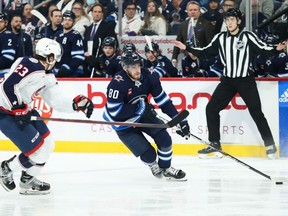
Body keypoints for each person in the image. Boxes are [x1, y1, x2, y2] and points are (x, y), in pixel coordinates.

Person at [172, 8, 288, 159]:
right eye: (227, 20)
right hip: (227, 81)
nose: (229, 22)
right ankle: (215, 144)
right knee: (211, 109)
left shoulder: (247, 35)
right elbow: (206, 52)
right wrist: (186, 48)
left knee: (256, 112)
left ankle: (270, 145)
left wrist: (275, 48)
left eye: (232, 19)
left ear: (238, 21)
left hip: (245, 80)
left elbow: (262, 49)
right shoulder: (221, 37)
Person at [0, 38, 94, 195]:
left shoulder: (47, 76)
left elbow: (55, 100)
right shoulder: (29, 64)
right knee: (37, 151)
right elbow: (7, 86)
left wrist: (75, 104)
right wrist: (17, 108)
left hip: (25, 111)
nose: (56, 61)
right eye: (55, 57)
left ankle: (28, 180)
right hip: (5, 112)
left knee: (48, 144)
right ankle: (6, 169)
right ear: (49, 55)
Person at [102, 51, 190, 180]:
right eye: (132, 67)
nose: (137, 70)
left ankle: (166, 168)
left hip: (143, 115)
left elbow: (164, 101)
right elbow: (116, 112)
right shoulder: (117, 83)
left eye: (138, 65)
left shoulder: (149, 77)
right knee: (149, 155)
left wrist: (181, 121)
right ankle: (153, 165)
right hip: (123, 124)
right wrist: (140, 108)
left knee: (165, 140)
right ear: (125, 68)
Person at [171, 1, 214, 68]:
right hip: (187, 59)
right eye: (190, 10)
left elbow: (210, 43)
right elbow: (178, 42)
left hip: (202, 59)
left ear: (199, 11)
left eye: (195, 10)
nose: (193, 12)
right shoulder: (183, 24)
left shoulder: (206, 24)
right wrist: (174, 58)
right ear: (187, 11)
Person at [83, 3, 118, 77]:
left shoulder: (108, 27)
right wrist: (86, 53)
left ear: (102, 14)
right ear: (92, 13)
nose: (97, 14)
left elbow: (114, 44)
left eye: (99, 12)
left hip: (101, 62)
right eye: (95, 12)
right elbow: (85, 43)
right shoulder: (88, 28)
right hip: (88, 60)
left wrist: (100, 58)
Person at [54, 10, 85, 77]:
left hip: (72, 73)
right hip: (57, 71)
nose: (67, 22)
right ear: (62, 21)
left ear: (73, 22)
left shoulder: (76, 35)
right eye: (65, 20)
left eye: (69, 20)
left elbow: (79, 57)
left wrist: (67, 68)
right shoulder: (57, 34)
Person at [0, 12, 17, 78]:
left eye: (1, 22)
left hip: (5, 73)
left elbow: (8, 57)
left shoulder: (8, 35)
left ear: (6, 23)